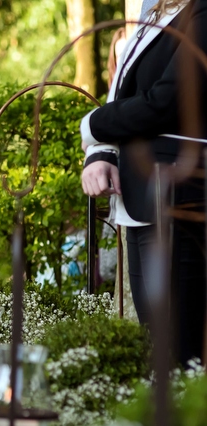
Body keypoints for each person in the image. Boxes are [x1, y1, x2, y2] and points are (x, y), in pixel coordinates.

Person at [80, 0, 207, 364]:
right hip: (138, 197)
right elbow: (122, 91)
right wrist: (100, 152)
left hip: (179, 194)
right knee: (157, 348)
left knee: (180, 351)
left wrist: (91, 126)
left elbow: (167, 100)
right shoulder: (156, 11)